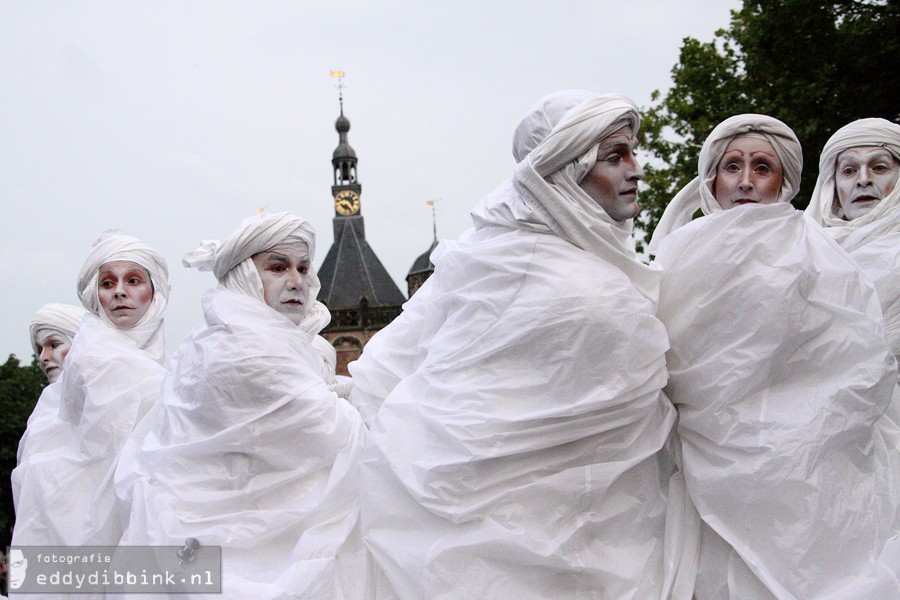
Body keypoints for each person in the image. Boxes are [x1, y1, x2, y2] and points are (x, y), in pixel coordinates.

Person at [351, 92, 687, 599]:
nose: (636, 170)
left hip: (571, 521)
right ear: (565, 169)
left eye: (632, 153)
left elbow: (382, 370)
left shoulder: (481, 259)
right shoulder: (544, 272)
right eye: (615, 157)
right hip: (539, 530)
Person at [649, 114, 899, 598]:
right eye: (732, 166)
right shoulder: (673, 254)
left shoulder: (819, 253)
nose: (744, 181)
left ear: (783, 182)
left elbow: (857, 359)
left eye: (761, 167)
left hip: (799, 455)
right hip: (693, 455)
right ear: (711, 179)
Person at [115, 213, 369, 599]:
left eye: (303, 268)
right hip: (248, 556)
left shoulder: (215, 337)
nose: (297, 281)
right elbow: (329, 429)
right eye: (278, 267)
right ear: (244, 275)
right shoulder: (247, 348)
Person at [11, 230, 169, 548]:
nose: (119, 293)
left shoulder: (168, 369)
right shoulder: (94, 360)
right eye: (107, 283)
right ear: (94, 295)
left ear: (157, 291)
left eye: (134, 280)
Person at [805, 118, 900, 366]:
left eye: (879, 167)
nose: (864, 179)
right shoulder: (805, 253)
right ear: (833, 187)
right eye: (849, 171)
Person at [12, 304, 88, 511]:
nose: (43, 357)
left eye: (53, 344)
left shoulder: (120, 401)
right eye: (39, 349)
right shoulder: (43, 415)